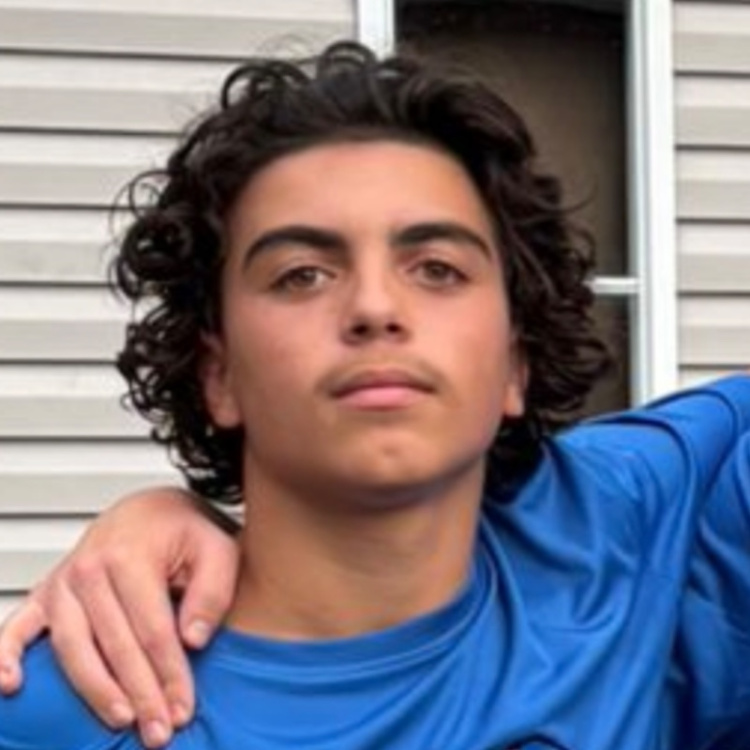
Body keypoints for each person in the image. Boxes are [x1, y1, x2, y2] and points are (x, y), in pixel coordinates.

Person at [1, 39, 750, 750]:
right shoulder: (76, 706)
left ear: (514, 363)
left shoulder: (631, 530)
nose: (374, 306)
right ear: (217, 374)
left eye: (437, 269)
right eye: (302, 274)